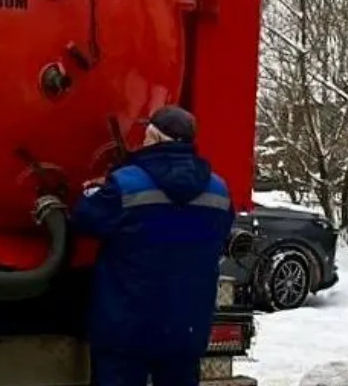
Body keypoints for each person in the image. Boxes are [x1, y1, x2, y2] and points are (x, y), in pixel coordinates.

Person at [71, 105, 235, 386]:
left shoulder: (126, 184)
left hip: (127, 330)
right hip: (186, 329)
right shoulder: (218, 190)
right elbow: (219, 234)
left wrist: (96, 190)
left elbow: (84, 219)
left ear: (155, 138)